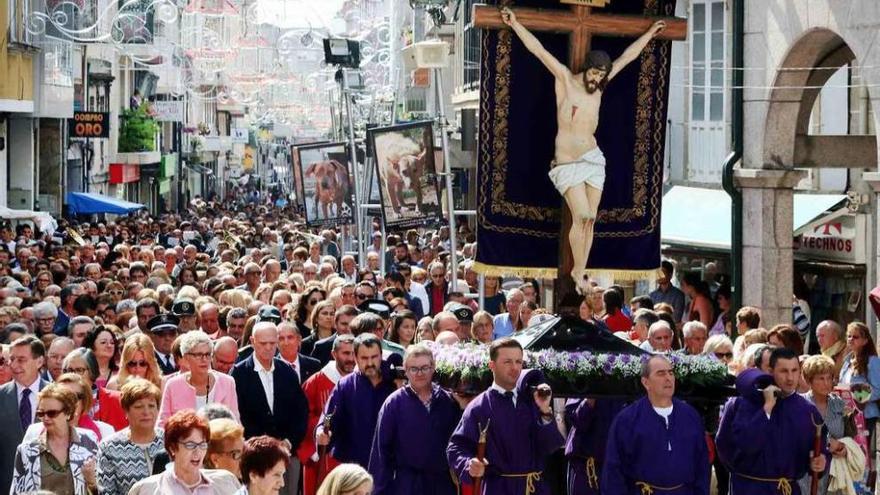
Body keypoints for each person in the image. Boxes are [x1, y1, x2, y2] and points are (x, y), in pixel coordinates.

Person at [501, 6, 665, 293]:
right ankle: (577, 272)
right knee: (584, 216)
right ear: (586, 68)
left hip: (592, 158)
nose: (596, 79)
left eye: (601, 76)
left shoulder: (600, 88)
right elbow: (538, 51)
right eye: (594, 73)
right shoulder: (565, 79)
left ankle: (581, 270)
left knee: (590, 221)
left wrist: (650, 33)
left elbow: (628, 57)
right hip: (566, 161)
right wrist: (515, 24)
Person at [447, 338, 564, 494]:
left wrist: (545, 411)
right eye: (507, 362)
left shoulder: (533, 401)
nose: (515, 367)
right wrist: (469, 464)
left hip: (535, 488)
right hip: (499, 488)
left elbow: (551, 446)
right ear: (492, 366)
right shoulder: (479, 407)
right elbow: (456, 447)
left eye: (518, 362)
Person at [716, 347, 828, 494]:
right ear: (770, 371)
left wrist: (821, 462)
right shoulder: (741, 403)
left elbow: (820, 449)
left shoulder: (807, 410)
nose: (790, 378)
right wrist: (767, 409)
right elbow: (726, 445)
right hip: (748, 489)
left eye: (794, 370)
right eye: (784, 371)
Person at [601, 355, 709, 493]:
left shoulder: (690, 416)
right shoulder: (627, 420)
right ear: (646, 382)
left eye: (671, 373)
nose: (668, 378)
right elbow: (613, 471)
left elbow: (702, 465)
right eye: (661, 373)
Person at [368, 344, 461, 494]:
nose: (420, 373)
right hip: (407, 484)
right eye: (414, 369)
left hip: (442, 484)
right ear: (405, 370)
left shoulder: (448, 401)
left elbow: (459, 443)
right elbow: (381, 452)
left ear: (433, 367)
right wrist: (379, 490)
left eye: (424, 368)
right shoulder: (394, 403)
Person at [232, 321, 308, 495]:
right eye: (263, 343)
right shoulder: (239, 373)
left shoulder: (287, 372)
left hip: (288, 453)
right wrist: (263, 446)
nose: (268, 348)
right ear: (252, 341)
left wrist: (289, 441)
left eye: (272, 343)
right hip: (256, 458)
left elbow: (300, 412)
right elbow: (238, 415)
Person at [317, 334, 396, 469]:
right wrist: (321, 432)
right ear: (355, 357)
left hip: (389, 463)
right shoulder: (345, 386)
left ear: (381, 355)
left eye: (374, 357)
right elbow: (329, 418)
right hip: (354, 465)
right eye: (364, 358)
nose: (370, 363)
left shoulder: (394, 383)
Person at [11, 383, 99, 494]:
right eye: (41, 413)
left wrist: (91, 482)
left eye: (52, 413)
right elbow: (16, 492)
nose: (46, 418)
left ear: (68, 412)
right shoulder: (27, 451)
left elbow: (104, 488)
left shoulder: (89, 441)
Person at [128, 409, 241, 494]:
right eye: (190, 445)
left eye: (202, 445)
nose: (197, 452)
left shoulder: (226, 481)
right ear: (172, 448)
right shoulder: (147, 489)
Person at [298, 334, 357, 495]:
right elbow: (302, 418)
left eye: (354, 353)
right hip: (324, 456)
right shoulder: (316, 382)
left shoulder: (362, 381)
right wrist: (322, 428)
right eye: (345, 353)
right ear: (334, 354)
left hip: (355, 456)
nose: (351, 358)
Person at [97, 378, 166, 495]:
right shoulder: (109, 447)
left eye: (151, 406)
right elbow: (106, 492)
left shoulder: (171, 440)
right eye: (138, 407)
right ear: (126, 411)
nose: (146, 412)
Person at [798, 355, 854, 495]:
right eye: (821, 378)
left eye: (829, 378)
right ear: (809, 379)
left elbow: (853, 439)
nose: (826, 383)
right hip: (807, 474)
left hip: (835, 475)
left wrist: (845, 448)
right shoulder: (800, 405)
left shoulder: (840, 404)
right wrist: (828, 443)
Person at [159, 331, 240, 426]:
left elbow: (235, 423)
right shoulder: (172, 385)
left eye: (207, 354)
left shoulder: (227, 382)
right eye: (198, 355)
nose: (204, 360)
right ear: (185, 358)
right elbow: (163, 423)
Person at [0, 335, 48, 493]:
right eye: (11, 359)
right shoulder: (1, 395)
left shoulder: (56, 394)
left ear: (39, 362)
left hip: (47, 486)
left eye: (21, 360)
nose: (13, 365)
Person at [564, 398, 626, 495]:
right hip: (585, 467)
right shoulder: (584, 384)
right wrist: (589, 401)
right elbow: (575, 419)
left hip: (617, 470)